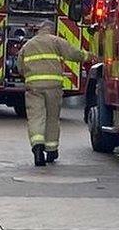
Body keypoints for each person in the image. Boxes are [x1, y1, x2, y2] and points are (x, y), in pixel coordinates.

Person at [16, 22, 90, 166]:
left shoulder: (28, 45)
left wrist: (29, 76)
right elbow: (73, 54)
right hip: (53, 87)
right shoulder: (56, 41)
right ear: (51, 30)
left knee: (36, 117)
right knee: (52, 118)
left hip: (34, 88)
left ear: (39, 30)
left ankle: (37, 149)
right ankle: (51, 151)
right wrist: (89, 56)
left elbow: (20, 67)